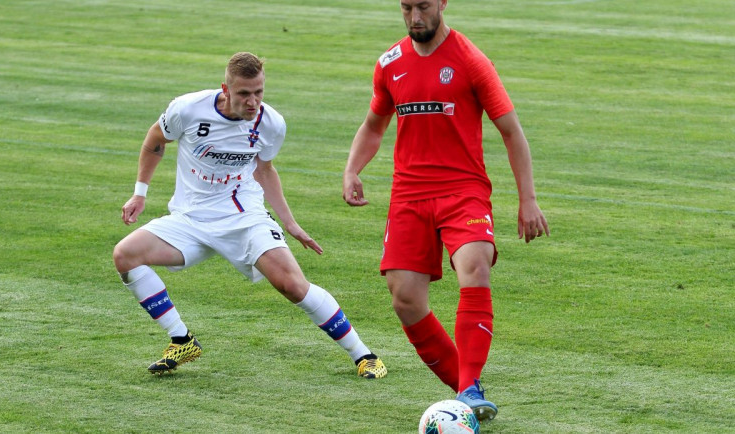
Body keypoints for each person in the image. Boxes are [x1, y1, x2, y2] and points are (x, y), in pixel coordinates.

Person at [113, 52, 386, 380]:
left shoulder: (271, 124)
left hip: (244, 218)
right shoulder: (187, 108)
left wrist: (290, 222)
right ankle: (181, 339)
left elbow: (266, 171)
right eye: (244, 93)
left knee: (292, 285)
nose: (253, 101)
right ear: (225, 89)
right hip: (190, 219)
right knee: (125, 256)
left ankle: (365, 356)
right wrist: (140, 193)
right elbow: (155, 139)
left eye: (259, 92)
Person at [343, 0, 549, 422]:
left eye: (422, 6)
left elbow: (511, 132)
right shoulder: (389, 63)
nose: (414, 17)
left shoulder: (471, 61)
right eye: (406, 8)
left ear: (442, 4)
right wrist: (352, 169)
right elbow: (374, 124)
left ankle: (470, 388)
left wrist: (527, 199)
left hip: (463, 191)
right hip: (409, 195)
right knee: (405, 300)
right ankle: (466, 394)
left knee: (475, 266)